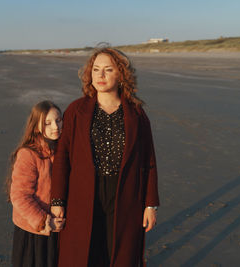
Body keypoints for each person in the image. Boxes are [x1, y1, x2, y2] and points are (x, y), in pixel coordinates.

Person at [50, 48, 160, 267]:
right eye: (96, 70)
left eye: (108, 70)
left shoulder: (137, 114)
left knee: (118, 254)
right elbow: (63, 158)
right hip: (83, 194)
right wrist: (57, 201)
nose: (100, 76)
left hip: (126, 194)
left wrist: (150, 205)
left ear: (121, 74)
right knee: (83, 253)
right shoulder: (76, 110)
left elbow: (149, 160)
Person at [7, 100, 66, 267]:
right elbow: (19, 196)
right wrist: (44, 221)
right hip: (33, 232)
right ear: (36, 126)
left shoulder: (62, 151)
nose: (55, 126)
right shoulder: (28, 154)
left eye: (58, 120)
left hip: (57, 228)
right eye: (47, 123)